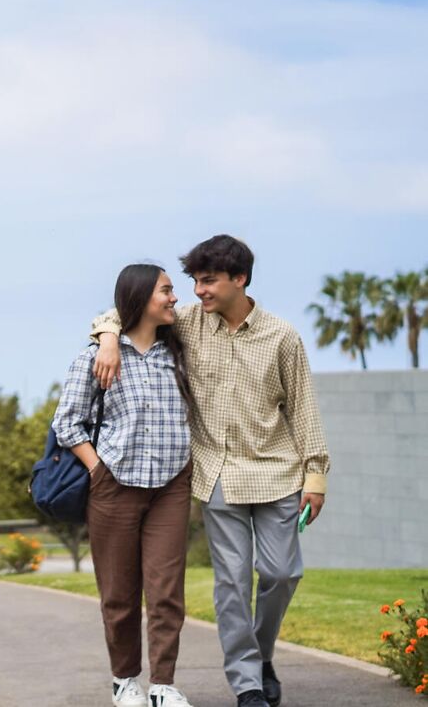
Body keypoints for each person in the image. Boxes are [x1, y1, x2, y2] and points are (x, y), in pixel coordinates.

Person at [91, 235, 330, 707]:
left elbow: (303, 407)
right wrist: (108, 339)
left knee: (282, 573)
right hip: (216, 474)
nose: (197, 291)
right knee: (233, 583)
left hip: (277, 473)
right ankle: (248, 684)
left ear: (239, 279)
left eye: (208, 281)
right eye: (195, 281)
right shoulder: (187, 324)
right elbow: (124, 311)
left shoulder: (281, 336)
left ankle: (261, 655)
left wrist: (316, 476)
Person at [53, 265, 196, 707]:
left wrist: (109, 334)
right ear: (140, 297)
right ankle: (125, 679)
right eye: (166, 290)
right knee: (119, 595)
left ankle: (163, 685)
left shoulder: (180, 353)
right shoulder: (93, 358)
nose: (175, 298)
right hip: (114, 485)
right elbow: (67, 423)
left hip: (171, 485)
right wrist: (98, 470)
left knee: (166, 591)